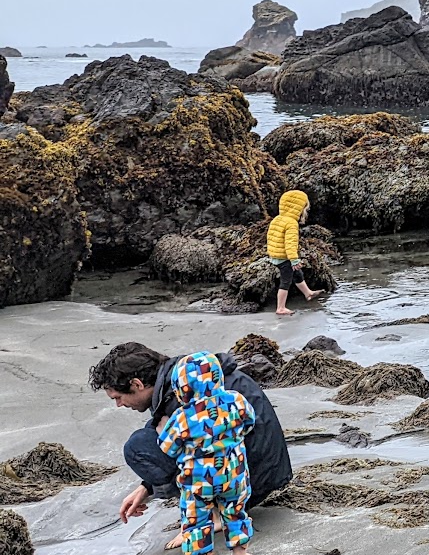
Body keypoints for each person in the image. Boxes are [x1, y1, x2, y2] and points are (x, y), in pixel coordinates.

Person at [91, 342, 292, 532]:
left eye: (118, 397)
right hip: (261, 472)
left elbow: (189, 451)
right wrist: (146, 487)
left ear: (137, 384)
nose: (119, 405)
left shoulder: (178, 396)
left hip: (245, 484)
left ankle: (210, 515)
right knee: (155, 430)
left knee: (138, 447)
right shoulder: (195, 374)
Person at [156, 351, 255, 555]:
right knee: (235, 511)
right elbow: (250, 421)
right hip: (234, 472)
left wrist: (168, 435)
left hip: (198, 480)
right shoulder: (236, 400)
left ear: (182, 388)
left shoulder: (183, 416)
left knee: (195, 519)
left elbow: (167, 447)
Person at [268, 189, 324, 317]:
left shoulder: (277, 219)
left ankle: (308, 293)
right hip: (285, 258)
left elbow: (271, 237)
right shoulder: (291, 223)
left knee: (298, 274)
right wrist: (294, 260)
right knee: (286, 282)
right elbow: (290, 244)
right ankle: (281, 308)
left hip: (276, 255)